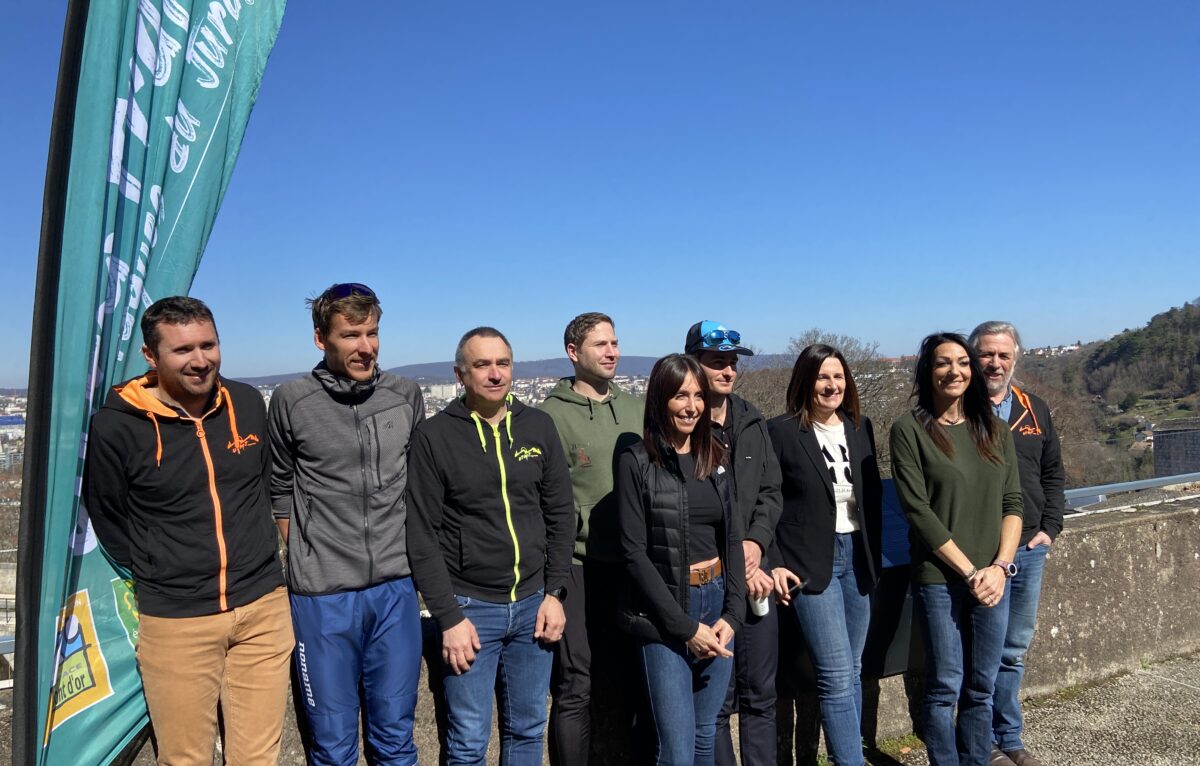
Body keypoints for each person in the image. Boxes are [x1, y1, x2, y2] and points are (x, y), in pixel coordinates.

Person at [85, 296, 292, 765]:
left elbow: (259, 487)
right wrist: (161, 568)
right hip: (177, 619)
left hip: (261, 606)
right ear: (151, 357)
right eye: (183, 350)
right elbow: (110, 517)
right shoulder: (117, 427)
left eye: (209, 345)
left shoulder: (244, 402)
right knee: (185, 759)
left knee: (259, 757)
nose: (201, 360)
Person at [267, 283, 425, 765]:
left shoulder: (404, 394)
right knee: (333, 747)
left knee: (395, 738)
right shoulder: (292, 401)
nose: (366, 346)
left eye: (372, 333)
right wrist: (306, 554)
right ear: (321, 339)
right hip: (323, 597)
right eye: (351, 334)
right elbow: (279, 488)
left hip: (396, 587)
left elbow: (421, 483)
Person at [406, 327, 575, 765]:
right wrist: (448, 616)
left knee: (528, 730)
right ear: (460, 373)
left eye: (503, 363)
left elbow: (560, 516)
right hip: (470, 608)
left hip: (534, 604)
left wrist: (556, 592)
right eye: (482, 364)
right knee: (467, 741)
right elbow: (422, 533)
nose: (495, 374)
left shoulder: (537, 426)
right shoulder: (435, 437)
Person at [889, 332, 1024, 766]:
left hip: (992, 579)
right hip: (941, 579)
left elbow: (1013, 504)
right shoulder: (909, 430)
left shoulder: (996, 430)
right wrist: (971, 573)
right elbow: (918, 511)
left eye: (963, 362)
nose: (955, 371)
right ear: (928, 371)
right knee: (945, 684)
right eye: (944, 363)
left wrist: (1000, 568)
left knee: (981, 686)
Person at [616, 353, 747, 766]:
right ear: (659, 399)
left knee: (706, 733)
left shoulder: (715, 456)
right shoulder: (636, 461)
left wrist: (734, 611)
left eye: (697, 396)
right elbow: (633, 553)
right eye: (679, 396)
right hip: (665, 613)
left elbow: (732, 538)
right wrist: (684, 627)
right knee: (676, 749)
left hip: (717, 603)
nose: (691, 406)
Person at [768, 344, 883, 766]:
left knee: (852, 671)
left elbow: (870, 500)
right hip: (809, 563)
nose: (831, 385)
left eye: (838, 376)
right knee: (835, 676)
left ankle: (844, 755)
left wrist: (874, 557)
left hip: (858, 559)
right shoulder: (780, 432)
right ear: (804, 382)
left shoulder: (859, 426)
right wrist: (774, 560)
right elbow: (767, 502)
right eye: (821, 377)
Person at [540, 312, 644, 765]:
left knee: (631, 677)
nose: (611, 352)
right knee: (575, 683)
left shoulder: (637, 409)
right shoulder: (549, 416)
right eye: (600, 344)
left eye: (615, 343)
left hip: (633, 564)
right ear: (573, 352)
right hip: (579, 566)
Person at [683, 321, 782, 766]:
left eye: (732, 362)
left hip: (755, 577)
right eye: (716, 362)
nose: (727, 370)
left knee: (761, 692)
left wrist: (757, 544)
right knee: (716, 699)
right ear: (694, 365)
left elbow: (770, 491)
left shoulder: (751, 419)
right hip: (713, 584)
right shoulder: (682, 428)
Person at [969, 322, 1065, 766]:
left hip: (1029, 548)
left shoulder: (1034, 408)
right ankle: (981, 739)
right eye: (987, 354)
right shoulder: (959, 410)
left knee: (1013, 650)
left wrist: (1051, 525)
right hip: (980, 551)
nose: (995, 363)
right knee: (982, 651)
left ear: (1016, 358)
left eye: (1003, 355)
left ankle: (1010, 737)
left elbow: (1052, 472)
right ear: (974, 356)